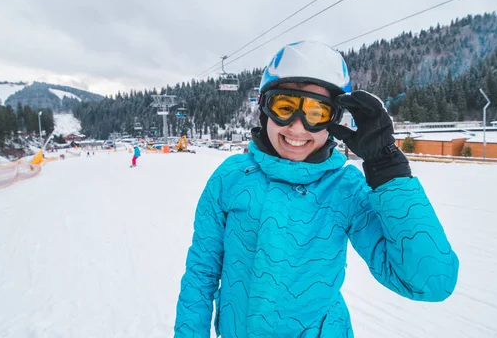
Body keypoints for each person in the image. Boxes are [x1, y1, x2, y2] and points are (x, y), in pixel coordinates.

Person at [174, 41, 459, 337]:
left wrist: (387, 169)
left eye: (315, 112)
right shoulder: (231, 177)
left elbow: (430, 282)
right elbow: (201, 275)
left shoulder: (344, 187)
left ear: (334, 118)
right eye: (284, 107)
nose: (297, 128)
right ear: (264, 108)